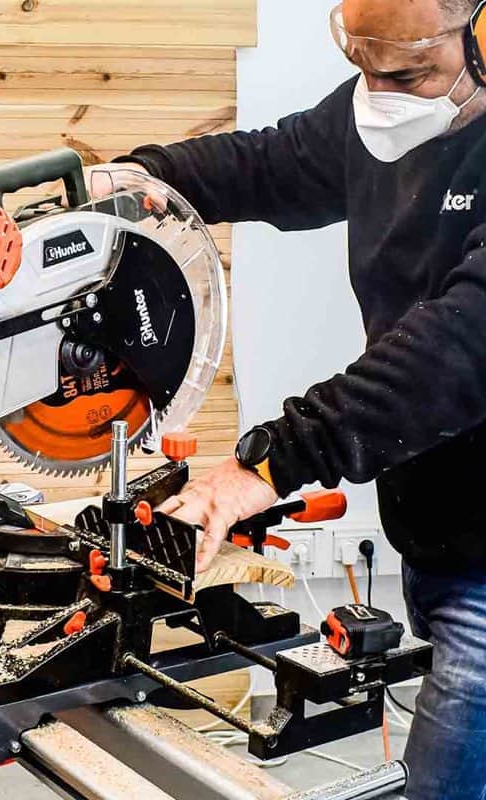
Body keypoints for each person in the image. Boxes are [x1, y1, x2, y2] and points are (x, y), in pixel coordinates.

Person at [93, 1, 486, 797]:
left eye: (407, 73)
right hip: (438, 521)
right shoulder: (382, 111)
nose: (379, 97)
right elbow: (266, 163)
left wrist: (268, 463)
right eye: (363, 68)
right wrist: (139, 179)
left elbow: (459, 349)